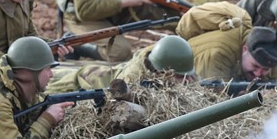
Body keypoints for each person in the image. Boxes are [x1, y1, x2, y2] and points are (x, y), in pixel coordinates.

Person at [176, 1, 277, 82]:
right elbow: (211, 100)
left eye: (265, 69)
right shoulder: (218, 53)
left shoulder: (267, 52)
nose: (258, 74)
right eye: (255, 66)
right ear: (245, 49)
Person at [45, 34, 197, 93]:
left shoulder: (165, 61)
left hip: (104, 72)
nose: (187, 81)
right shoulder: (133, 81)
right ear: (163, 73)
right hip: (82, 81)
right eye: (179, 77)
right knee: (47, 80)